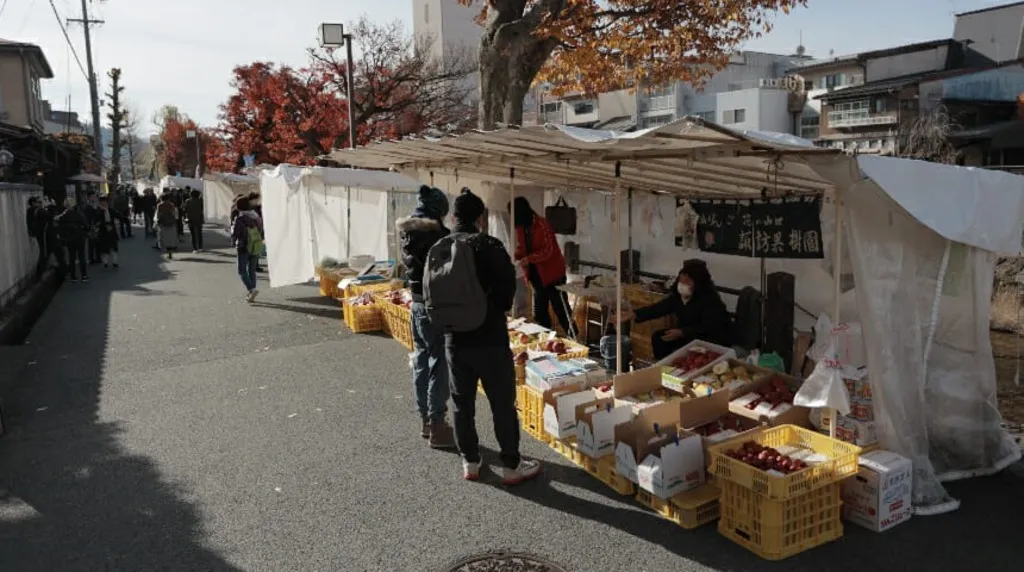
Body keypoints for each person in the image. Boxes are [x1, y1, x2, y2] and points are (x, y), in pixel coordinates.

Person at [433, 189, 540, 484]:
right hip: (491, 338)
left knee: (461, 403)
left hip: (455, 339)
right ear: (481, 218)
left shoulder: (440, 247)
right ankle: (511, 465)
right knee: (502, 403)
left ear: (453, 217)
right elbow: (507, 296)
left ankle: (470, 461)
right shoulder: (490, 246)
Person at [397, 185, 454, 449]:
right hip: (435, 307)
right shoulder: (437, 237)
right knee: (439, 364)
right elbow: (447, 274)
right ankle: (438, 424)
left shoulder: (408, 233)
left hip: (416, 304)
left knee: (421, 360)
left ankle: (425, 420)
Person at [621, 259, 732, 360]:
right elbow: (659, 308)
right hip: (686, 335)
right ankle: (663, 368)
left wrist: (682, 332)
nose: (682, 284)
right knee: (659, 338)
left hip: (710, 338)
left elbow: (708, 327)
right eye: (681, 280)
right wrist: (634, 314)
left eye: (687, 281)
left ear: (698, 283)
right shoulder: (678, 297)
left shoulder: (710, 300)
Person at [509, 197, 572, 335]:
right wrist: (517, 256)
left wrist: (529, 259)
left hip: (553, 273)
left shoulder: (542, 224)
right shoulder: (521, 227)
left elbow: (548, 251)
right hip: (536, 275)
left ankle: (574, 336)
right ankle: (547, 338)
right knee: (539, 312)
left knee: (561, 309)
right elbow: (523, 247)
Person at [231, 196, 264, 303]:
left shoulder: (240, 219)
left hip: (243, 246)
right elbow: (260, 230)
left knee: (242, 270)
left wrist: (232, 240)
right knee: (252, 270)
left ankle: (251, 290)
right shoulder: (256, 217)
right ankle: (251, 292)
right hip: (255, 245)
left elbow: (236, 233)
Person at [56, 199, 90, 282]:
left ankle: (73, 276)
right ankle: (84, 276)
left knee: (72, 257)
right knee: (82, 257)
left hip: (69, 239)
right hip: (80, 238)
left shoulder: (64, 216)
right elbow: (86, 226)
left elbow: (59, 226)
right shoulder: (80, 214)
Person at [95, 195, 122, 269]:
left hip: (111, 230)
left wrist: (121, 216)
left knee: (113, 247)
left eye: (105, 201)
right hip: (103, 231)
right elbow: (96, 220)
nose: (104, 203)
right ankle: (105, 262)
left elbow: (118, 215)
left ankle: (115, 262)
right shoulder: (98, 211)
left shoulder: (110, 210)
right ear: (100, 203)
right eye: (102, 202)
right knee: (104, 248)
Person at [156, 193, 180, 259]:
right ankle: (170, 253)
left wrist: (158, 221)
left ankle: (166, 252)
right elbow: (174, 214)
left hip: (163, 223)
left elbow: (158, 215)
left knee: (164, 238)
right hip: (171, 223)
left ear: (161, 198)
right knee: (170, 239)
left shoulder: (159, 205)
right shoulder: (171, 205)